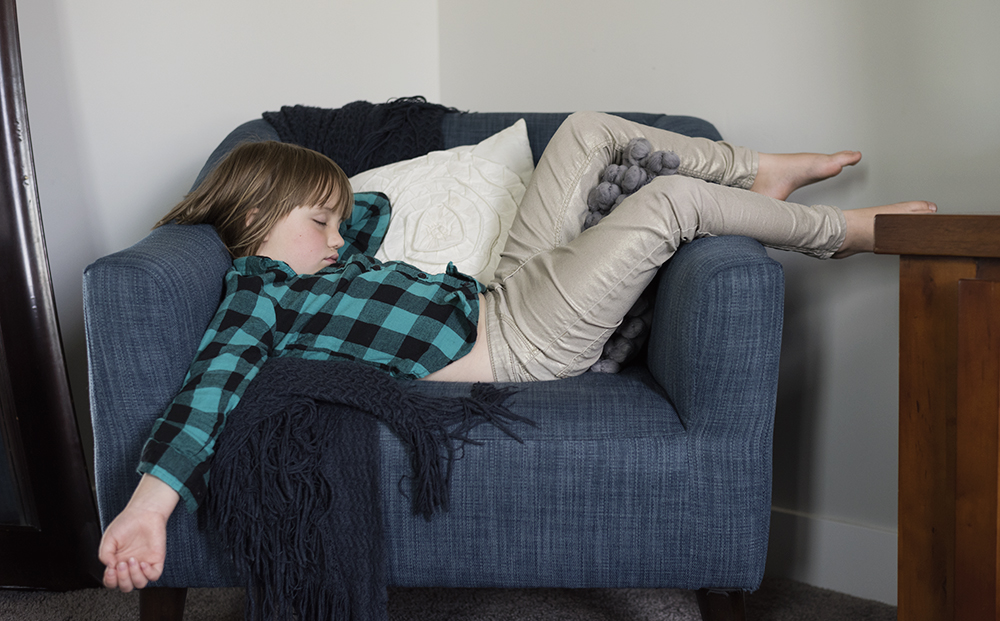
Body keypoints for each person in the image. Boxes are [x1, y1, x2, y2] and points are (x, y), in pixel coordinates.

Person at [98, 111, 936, 592]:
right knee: (671, 203)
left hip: (504, 287)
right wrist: (147, 508)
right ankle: (847, 232)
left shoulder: (328, 253)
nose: (336, 235)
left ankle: (759, 175)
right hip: (526, 338)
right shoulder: (260, 292)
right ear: (252, 221)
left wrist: (326, 201)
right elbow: (209, 389)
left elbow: (372, 209)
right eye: (318, 223)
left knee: (586, 131)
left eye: (333, 222)